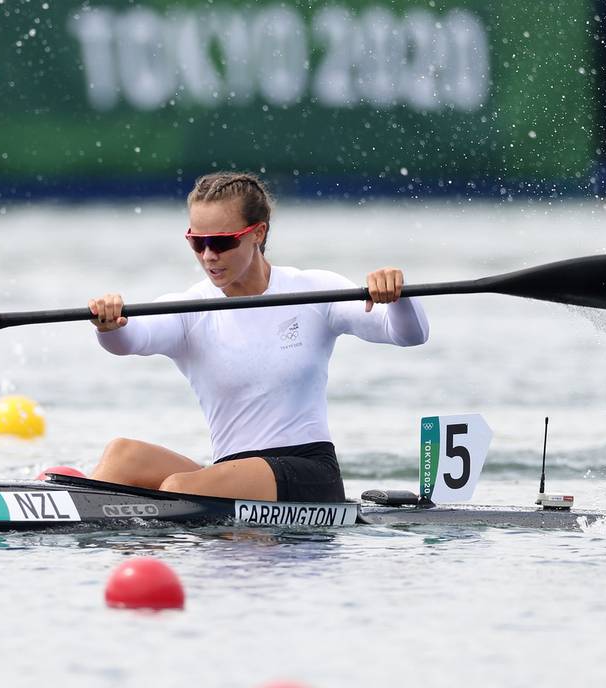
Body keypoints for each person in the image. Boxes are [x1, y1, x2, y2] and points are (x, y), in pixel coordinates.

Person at [86, 172, 429, 502]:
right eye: (197, 242)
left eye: (221, 242)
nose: (208, 255)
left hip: (308, 473)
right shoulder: (191, 308)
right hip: (230, 477)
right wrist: (110, 324)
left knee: (180, 486)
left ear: (258, 233)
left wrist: (399, 296)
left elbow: (409, 334)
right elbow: (129, 341)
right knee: (121, 455)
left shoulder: (312, 290)